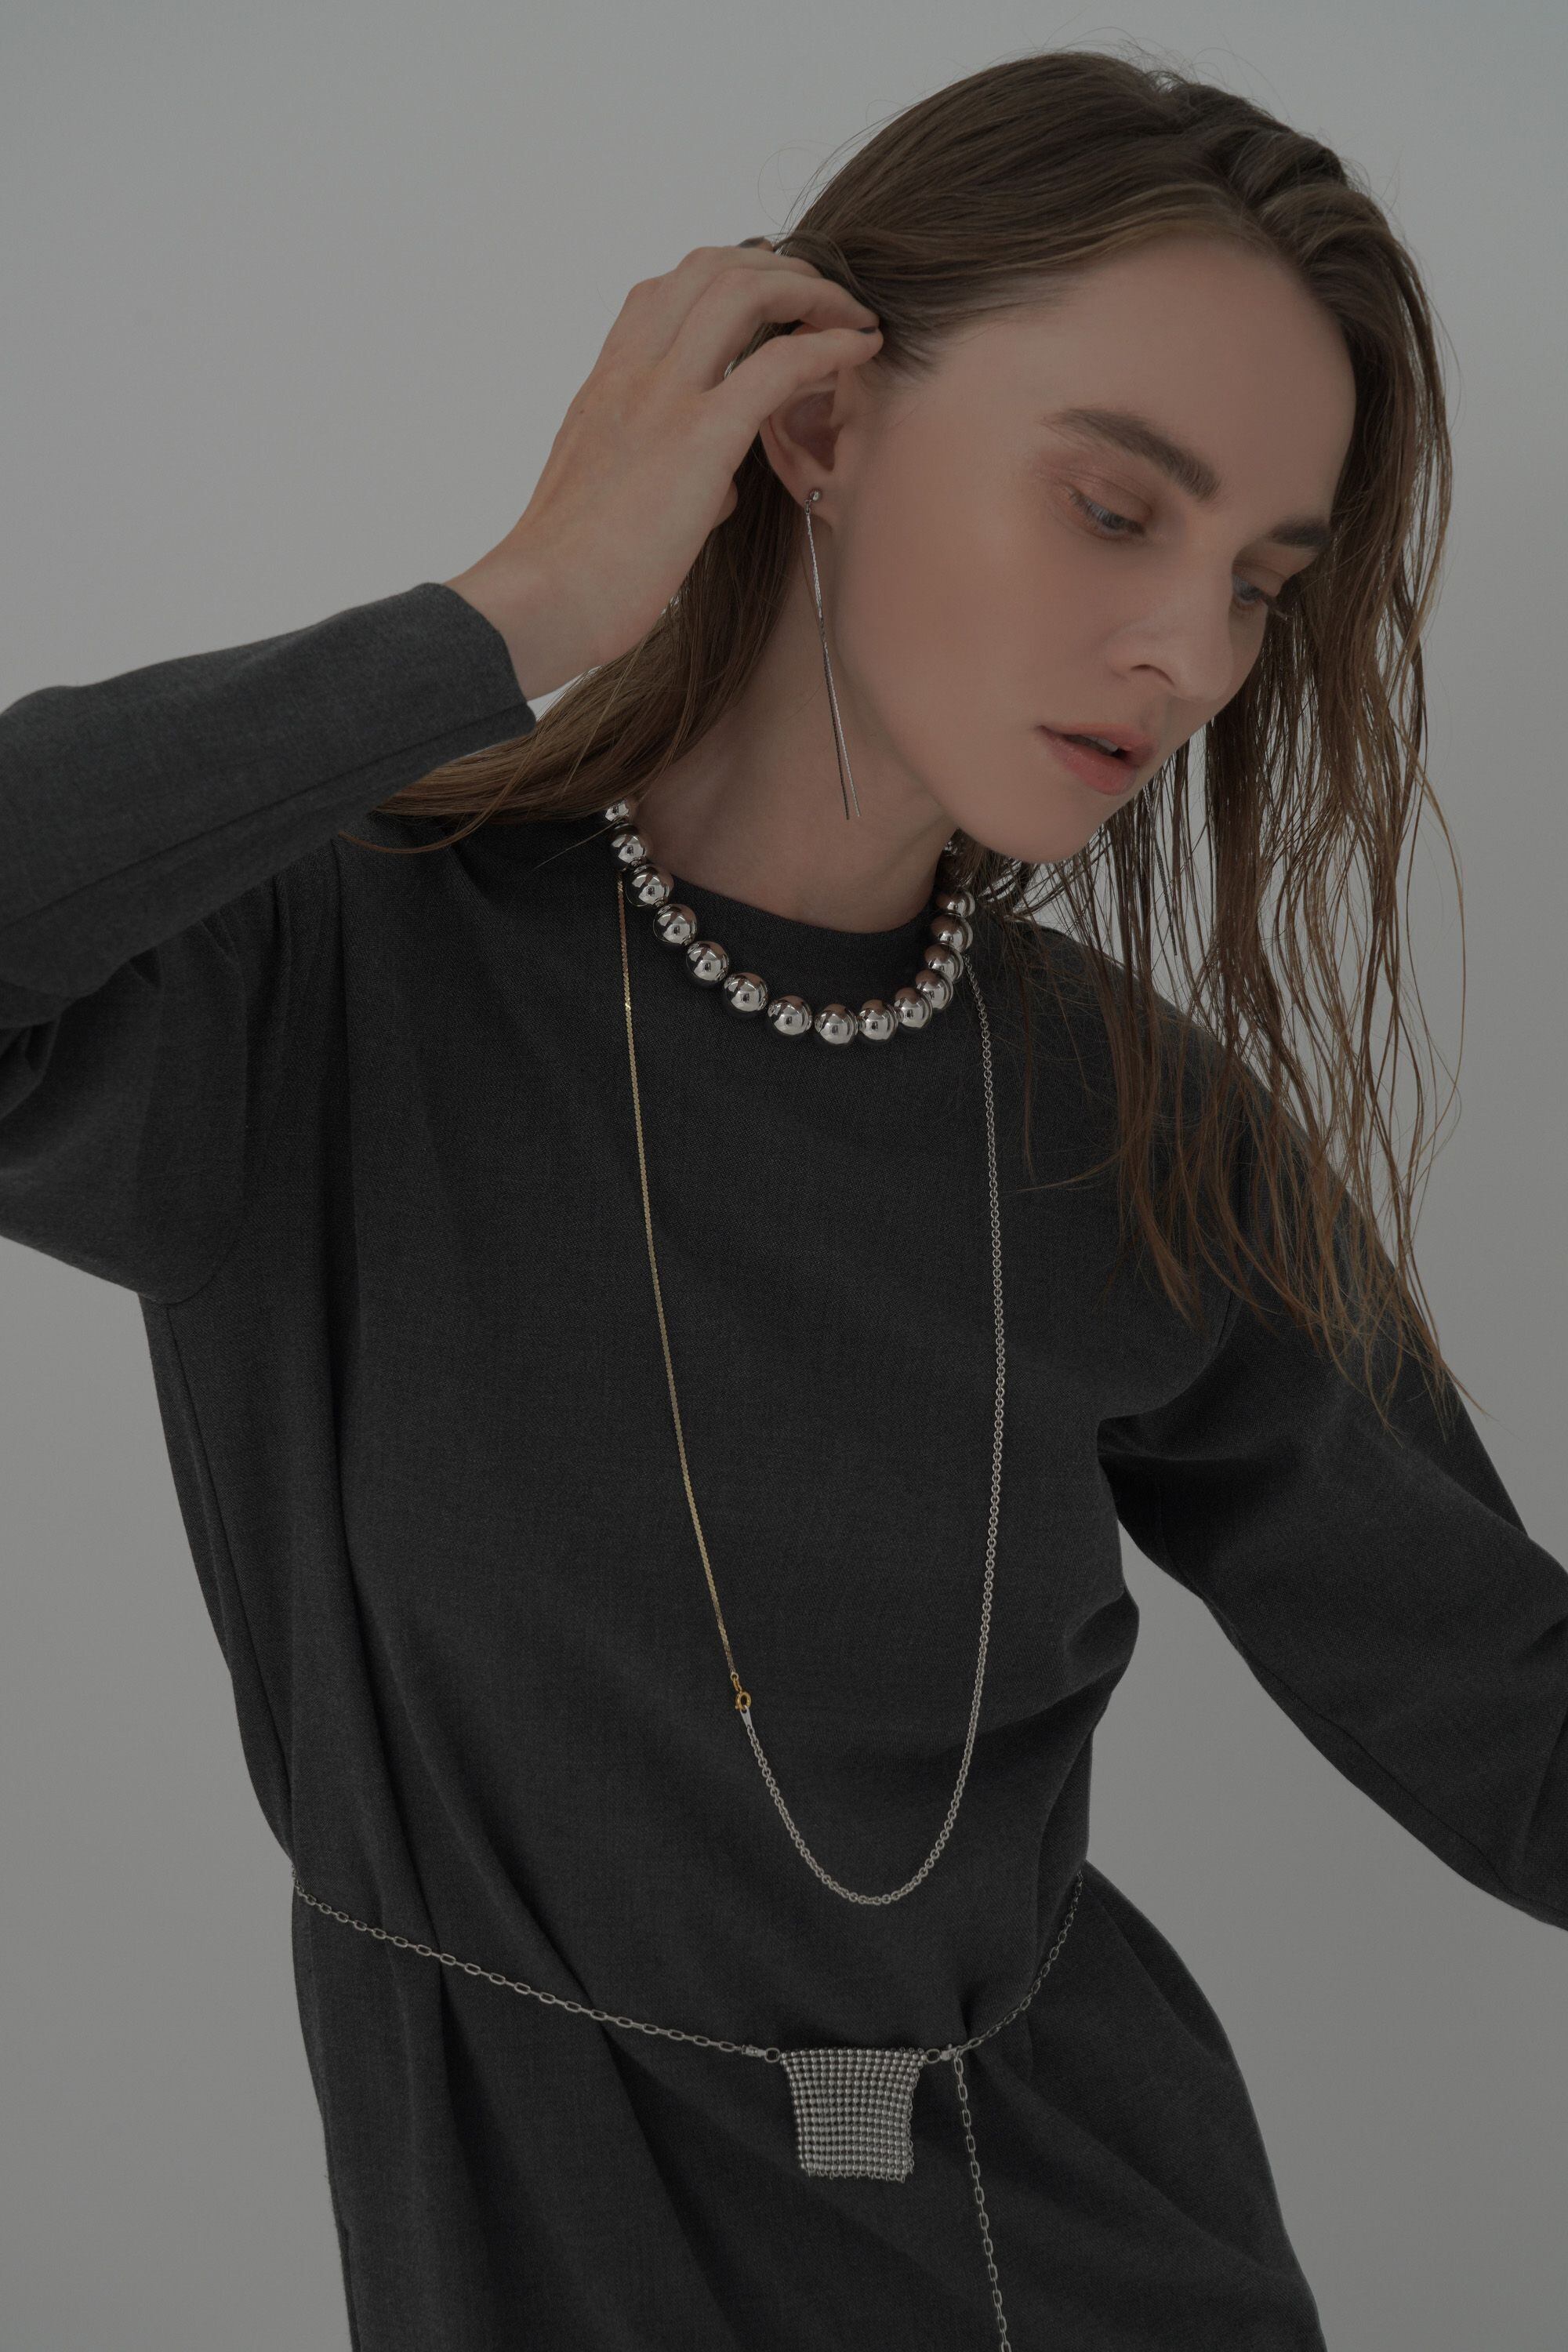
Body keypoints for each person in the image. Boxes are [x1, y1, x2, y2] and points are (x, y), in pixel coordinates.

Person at [2, 46, 1563, 2352]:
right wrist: (516, 611)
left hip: (1097, 2262)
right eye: (1115, 509)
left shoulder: (1135, 1123)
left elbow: (1513, 1718)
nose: (1194, 653)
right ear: (815, 426)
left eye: (1259, 580)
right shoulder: (323, 988)